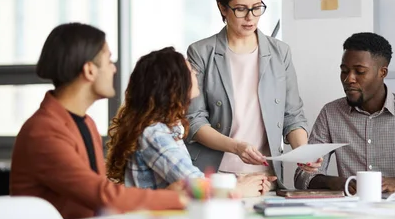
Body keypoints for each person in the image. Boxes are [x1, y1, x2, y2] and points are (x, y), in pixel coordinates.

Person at [10, 23, 186, 219]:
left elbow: (98, 190)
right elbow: (103, 195)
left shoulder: (85, 122)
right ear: (89, 70)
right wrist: (176, 199)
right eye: (109, 60)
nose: (114, 69)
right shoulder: (43, 131)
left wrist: (163, 195)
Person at [185, 0, 320, 188]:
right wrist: (236, 147)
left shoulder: (280, 52)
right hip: (215, 176)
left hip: (266, 177)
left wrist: (303, 153)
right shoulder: (201, 52)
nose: (250, 17)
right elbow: (194, 121)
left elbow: (292, 116)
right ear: (222, 8)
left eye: (257, 8)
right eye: (241, 9)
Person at [106, 47, 273, 197]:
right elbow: (194, 184)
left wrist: (246, 181)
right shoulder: (154, 133)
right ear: (174, 84)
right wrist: (240, 189)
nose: (196, 74)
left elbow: (192, 179)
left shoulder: (167, 127)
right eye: (191, 71)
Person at [294, 32, 395, 192]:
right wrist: (341, 183)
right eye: (344, 71)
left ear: (383, 73)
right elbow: (303, 177)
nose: (349, 79)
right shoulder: (330, 113)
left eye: (359, 72)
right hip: (349, 211)